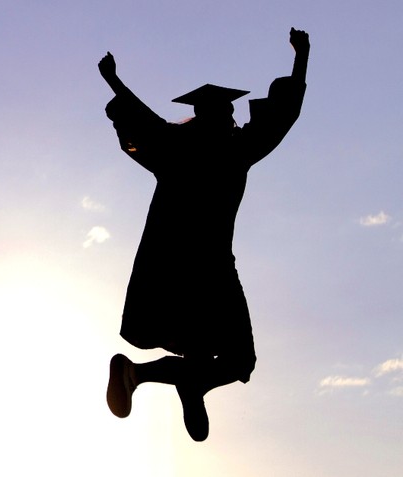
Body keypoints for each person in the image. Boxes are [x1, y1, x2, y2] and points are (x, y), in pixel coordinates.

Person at [100, 28, 309, 441]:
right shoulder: (235, 151)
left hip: (170, 267)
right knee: (238, 361)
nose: (232, 119)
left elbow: (141, 120)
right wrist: (301, 58)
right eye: (229, 116)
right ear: (225, 117)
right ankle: (174, 381)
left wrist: (114, 82)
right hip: (210, 268)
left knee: (213, 358)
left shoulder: (174, 149)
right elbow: (281, 116)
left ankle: (168, 380)